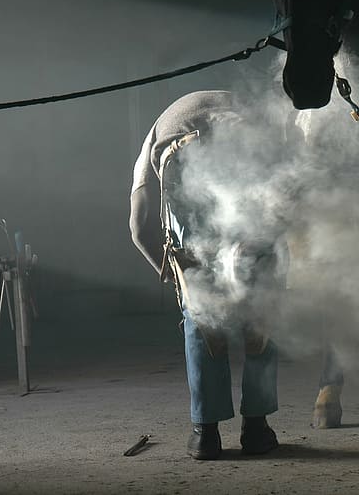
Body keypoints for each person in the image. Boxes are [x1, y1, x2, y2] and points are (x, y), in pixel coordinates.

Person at [129, 90, 290, 460]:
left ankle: (206, 434)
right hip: (250, 152)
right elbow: (285, 194)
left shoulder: (154, 135)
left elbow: (138, 228)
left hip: (180, 159)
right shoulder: (250, 115)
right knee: (260, 302)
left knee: (202, 311)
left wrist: (176, 279)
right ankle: (257, 429)